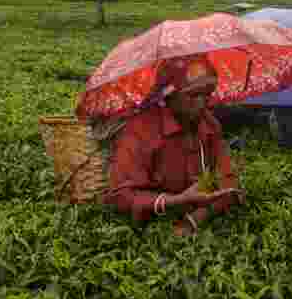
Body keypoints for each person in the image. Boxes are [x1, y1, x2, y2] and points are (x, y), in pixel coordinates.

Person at [103, 54, 245, 237]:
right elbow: (119, 197)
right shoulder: (141, 131)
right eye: (193, 95)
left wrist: (195, 219)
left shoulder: (209, 124)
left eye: (208, 94)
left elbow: (228, 182)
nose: (202, 104)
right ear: (168, 95)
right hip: (154, 219)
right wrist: (177, 201)